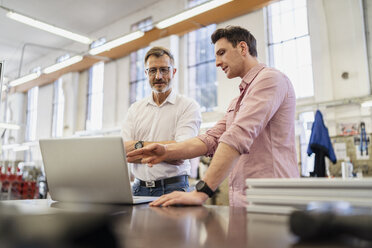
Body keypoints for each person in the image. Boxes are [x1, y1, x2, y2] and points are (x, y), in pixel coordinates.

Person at [127, 26, 300, 207]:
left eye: (222, 53)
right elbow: (211, 139)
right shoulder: (238, 100)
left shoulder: (270, 79)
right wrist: (166, 151)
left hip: (273, 199)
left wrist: (201, 192)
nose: (217, 62)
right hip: (244, 200)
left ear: (242, 48)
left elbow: (237, 136)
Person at [121, 46, 201, 196]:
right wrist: (168, 152)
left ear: (174, 72)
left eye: (164, 70)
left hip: (174, 188)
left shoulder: (188, 106)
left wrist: (138, 147)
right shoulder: (135, 109)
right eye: (152, 70)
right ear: (146, 73)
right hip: (139, 189)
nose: (158, 76)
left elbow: (183, 151)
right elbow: (124, 151)